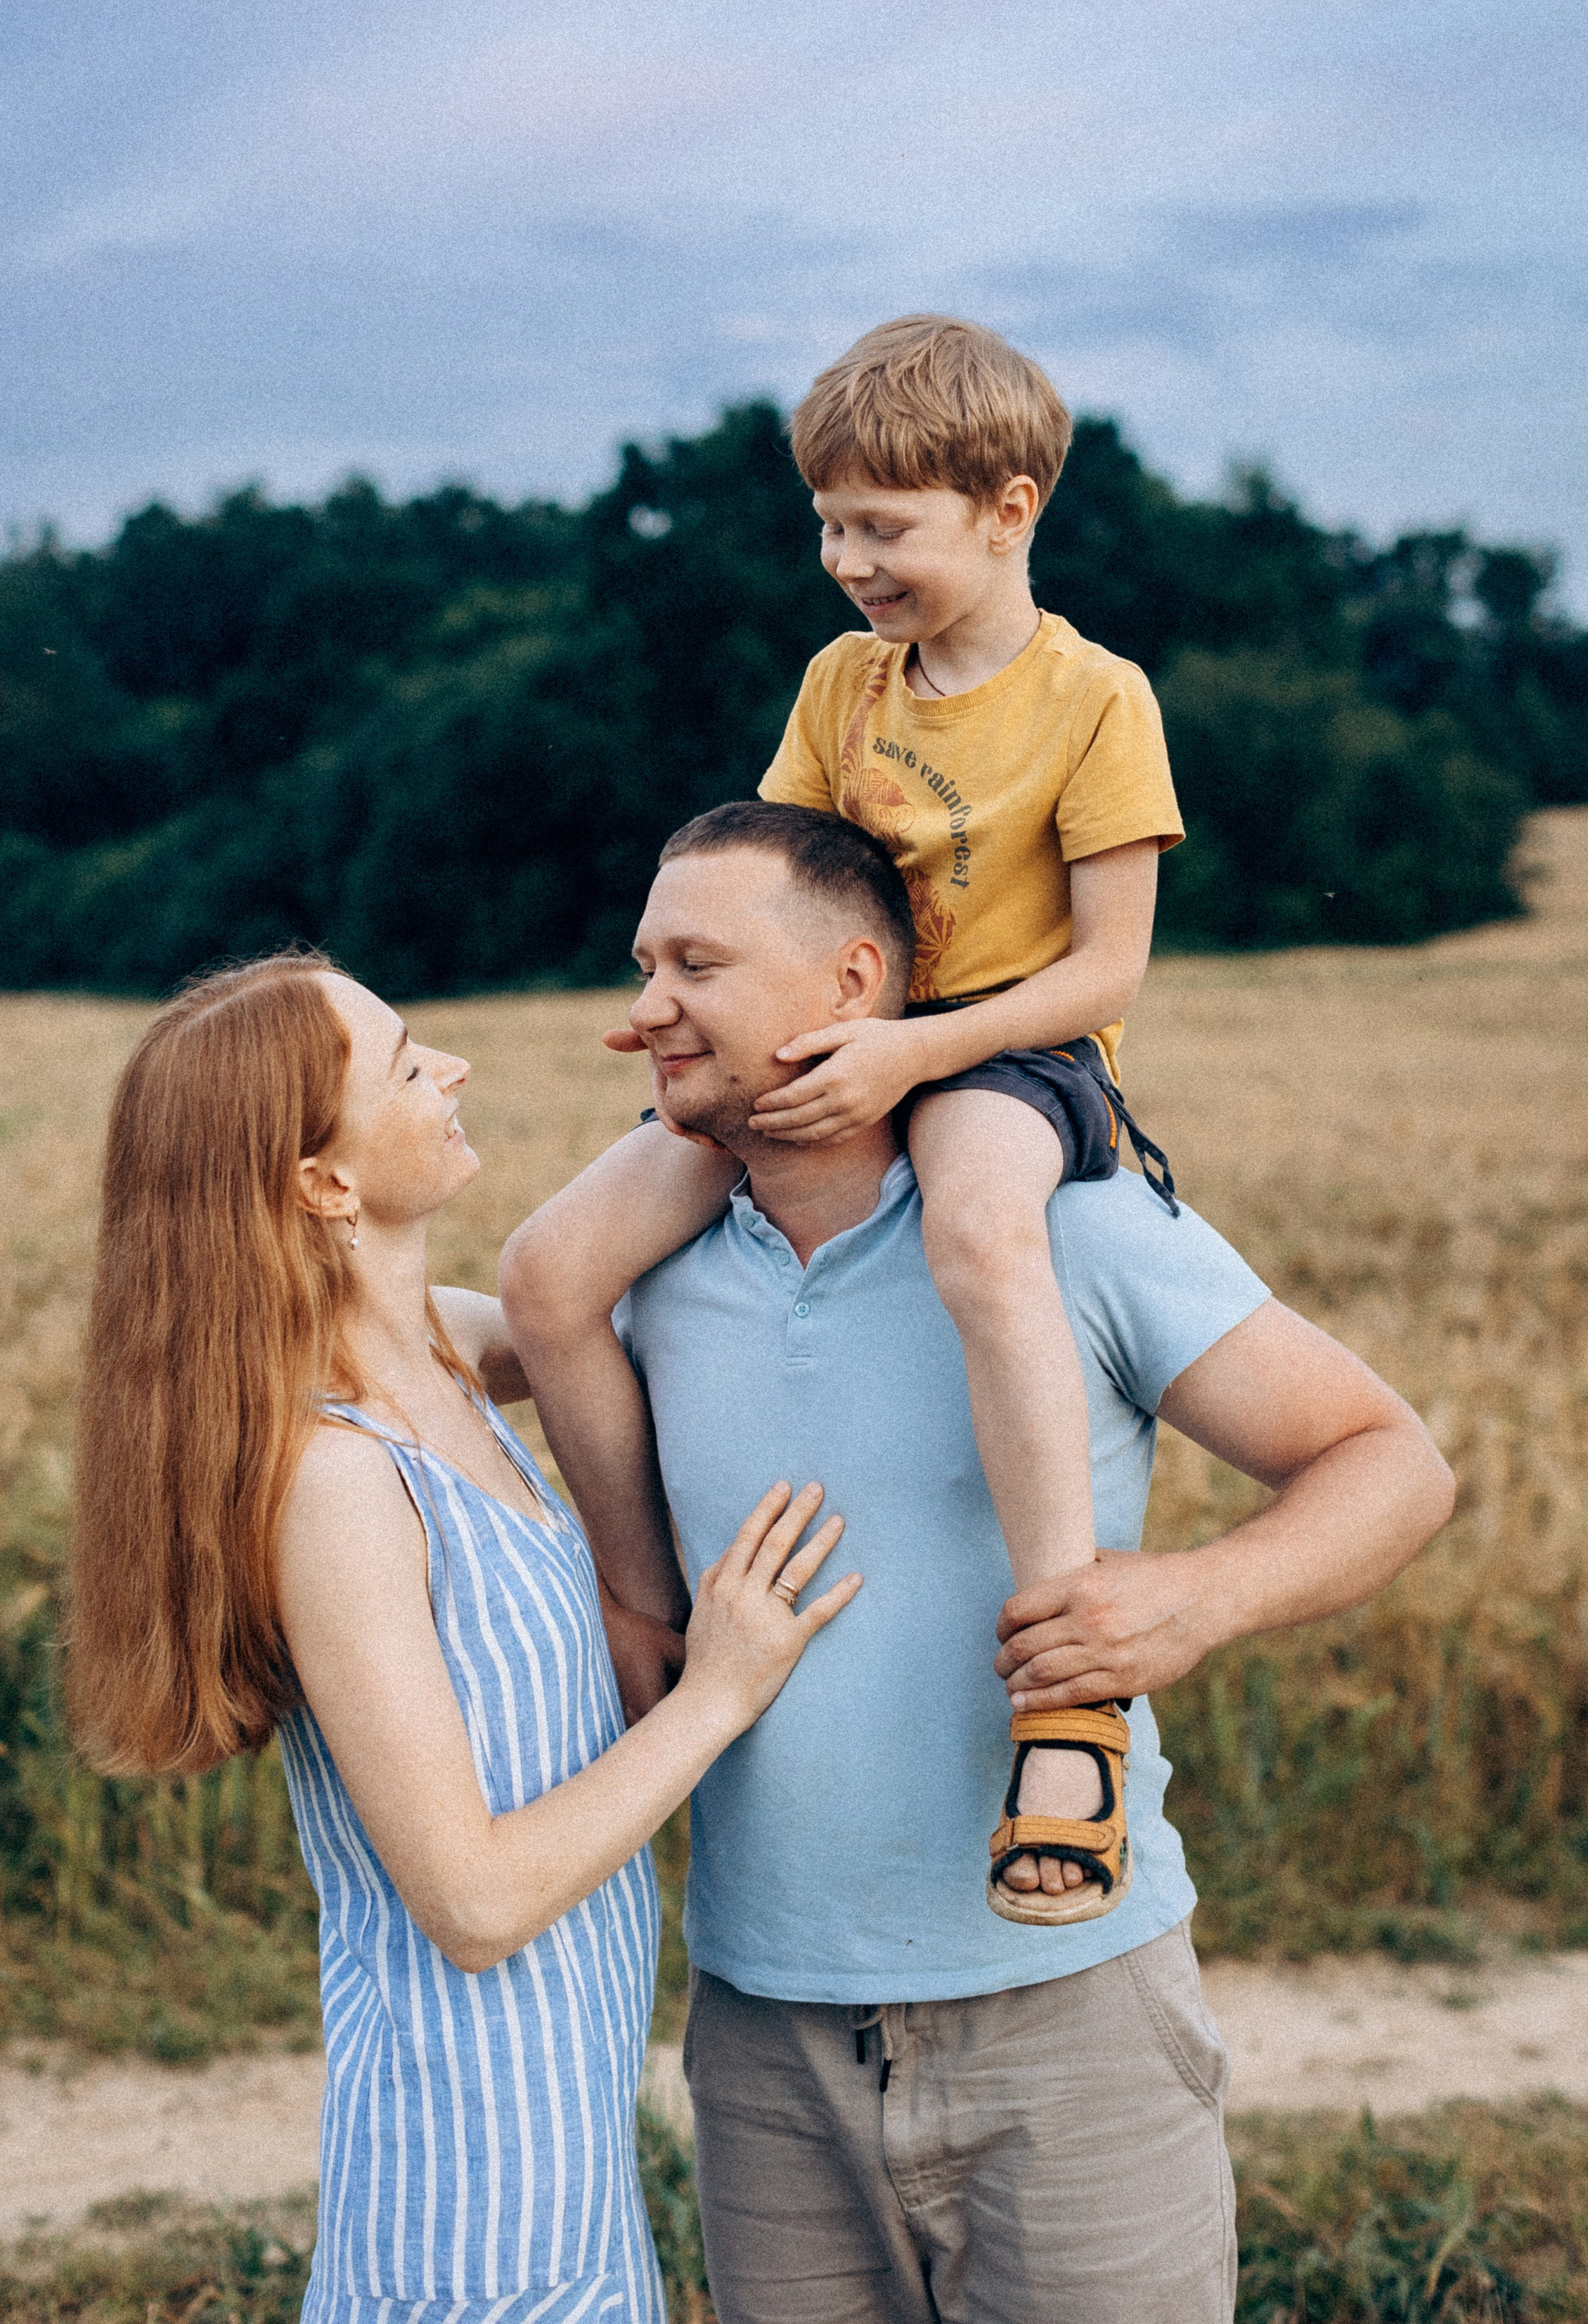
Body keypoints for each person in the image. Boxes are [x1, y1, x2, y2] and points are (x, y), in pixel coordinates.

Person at [501, 803, 1454, 2324]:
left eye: (697, 965)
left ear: (853, 984)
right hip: (762, 2034)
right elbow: (439, 1343)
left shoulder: (1068, 1232)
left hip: (1066, 2017)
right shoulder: (647, 1279)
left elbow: (1390, 1462)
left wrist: (1197, 1599)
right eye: (642, 967)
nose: (648, 1008)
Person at [504, 314, 1185, 1916]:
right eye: (828, 526)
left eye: (882, 528)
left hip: (1007, 1053)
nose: (845, 562)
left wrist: (909, 1052)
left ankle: (1067, 1686)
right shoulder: (840, 682)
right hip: (832, 1037)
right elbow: (775, 884)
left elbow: (1104, 972)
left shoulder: (1097, 700)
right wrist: (697, 1004)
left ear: (1007, 510)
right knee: (546, 1270)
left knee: (980, 1232)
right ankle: (645, 1611)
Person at [65, 950, 860, 2324]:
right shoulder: (336, 1482)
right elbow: (473, 1905)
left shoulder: (438, 1356)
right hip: (471, 2213)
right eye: (404, 1064)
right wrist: (717, 1694)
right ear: (323, 1184)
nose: (453, 1069)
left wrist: (747, 1066)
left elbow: (572, 1285)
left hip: (563, 2167)